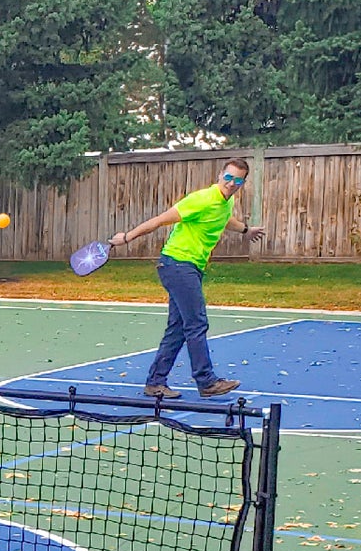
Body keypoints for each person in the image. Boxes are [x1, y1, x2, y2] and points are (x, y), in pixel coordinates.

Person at [112, 157, 266, 400]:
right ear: (220, 176)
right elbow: (159, 220)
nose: (231, 183)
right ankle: (206, 382)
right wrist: (127, 237)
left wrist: (246, 230)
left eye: (237, 180)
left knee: (178, 328)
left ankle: (155, 383)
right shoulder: (201, 199)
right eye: (228, 177)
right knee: (196, 323)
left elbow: (225, 219)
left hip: (190, 267)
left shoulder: (226, 201)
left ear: (242, 183)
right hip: (177, 264)